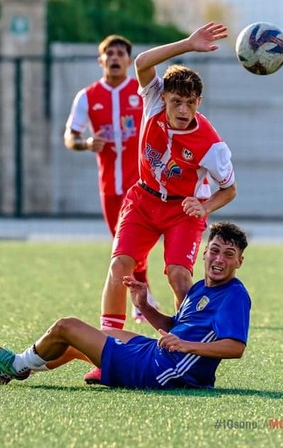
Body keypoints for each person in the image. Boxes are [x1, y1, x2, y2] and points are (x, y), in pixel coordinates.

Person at [84, 22, 236, 384]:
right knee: (120, 265)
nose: (183, 109)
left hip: (183, 210)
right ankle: (107, 351)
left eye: (190, 103)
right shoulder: (151, 99)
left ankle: (184, 351)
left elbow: (229, 189)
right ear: (163, 98)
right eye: (176, 101)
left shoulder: (212, 145)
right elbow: (143, 63)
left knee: (179, 276)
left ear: (199, 103)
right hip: (143, 200)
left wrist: (205, 207)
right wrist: (188, 43)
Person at [0, 221, 251, 390]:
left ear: (239, 262)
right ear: (204, 253)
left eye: (229, 254)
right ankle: (11, 372)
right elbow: (176, 329)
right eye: (214, 250)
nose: (219, 259)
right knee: (90, 338)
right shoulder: (200, 288)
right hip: (158, 355)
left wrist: (188, 347)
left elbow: (235, 347)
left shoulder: (234, 295)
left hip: (164, 372)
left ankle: (16, 365)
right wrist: (145, 306)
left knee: (67, 327)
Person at [64, 34, 156, 323]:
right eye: (109, 53)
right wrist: (86, 143)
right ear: (100, 60)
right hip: (109, 187)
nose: (115, 58)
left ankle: (141, 300)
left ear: (129, 60)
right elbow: (70, 137)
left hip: (140, 185)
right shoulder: (88, 96)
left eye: (120, 53)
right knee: (122, 244)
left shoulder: (142, 91)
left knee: (129, 245)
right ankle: (143, 296)